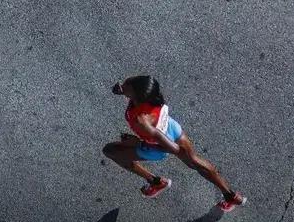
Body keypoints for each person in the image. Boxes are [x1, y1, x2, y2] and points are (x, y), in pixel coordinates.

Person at [103, 75, 246, 212]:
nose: (122, 85)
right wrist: (123, 91)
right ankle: (231, 196)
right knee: (195, 161)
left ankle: (156, 182)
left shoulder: (142, 120)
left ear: (137, 96)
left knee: (110, 151)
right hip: (171, 128)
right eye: (126, 82)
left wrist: (137, 142)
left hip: (157, 145)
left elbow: (173, 149)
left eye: (126, 86)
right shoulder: (151, 94)